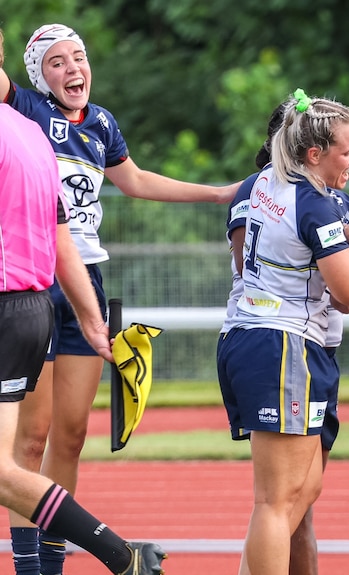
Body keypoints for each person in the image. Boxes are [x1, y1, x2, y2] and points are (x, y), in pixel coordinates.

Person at [0, 24, 239, 575]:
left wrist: (218, 193)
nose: (72, 69)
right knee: (29, 438)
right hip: (38, 279)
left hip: (89, 280)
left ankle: (56, 556)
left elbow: (134, 181)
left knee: (73, 433)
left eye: (78, 57)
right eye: (56, 62)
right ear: (38, 74)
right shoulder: (28, 110)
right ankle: (30, 566)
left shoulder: (102, 122)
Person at [218, 98, 349, 575]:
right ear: (314, 152)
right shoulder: (316, 205)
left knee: (303, 489)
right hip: (282, 343)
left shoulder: (262, 183)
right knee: (276, 502)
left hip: (262, 337)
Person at [0, 95, 166, 573]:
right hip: (30, 306)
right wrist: (94, 323)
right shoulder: (32, 134)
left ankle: (122, 555)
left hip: (7, 306)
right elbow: (60, 236)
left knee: (6, 469)